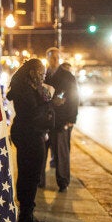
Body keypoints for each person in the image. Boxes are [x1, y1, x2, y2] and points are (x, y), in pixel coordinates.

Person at [6, 59, 64, 222]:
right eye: (40, 73)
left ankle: (27, 213)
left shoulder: (33, 88)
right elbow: (31, 114)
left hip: (33, 133)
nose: (43, 76)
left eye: (44, 73)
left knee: (31, 175)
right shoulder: (23, 90)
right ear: (32, 72)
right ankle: (25, 216)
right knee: (29, 175)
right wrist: (51, 104)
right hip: (28, 134)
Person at [41, 48, 79, 192]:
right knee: (42, 153)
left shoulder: (67, 76)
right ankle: (40, 180)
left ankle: (63, 182)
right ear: (47, 58)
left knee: (61, 154)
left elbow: (74, 98)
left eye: (57, 57)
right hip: (44, 120)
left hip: (60, 120)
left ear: (60, 58)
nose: (55, 60)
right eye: (52, 57)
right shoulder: (43, 74)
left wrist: (72, 118)